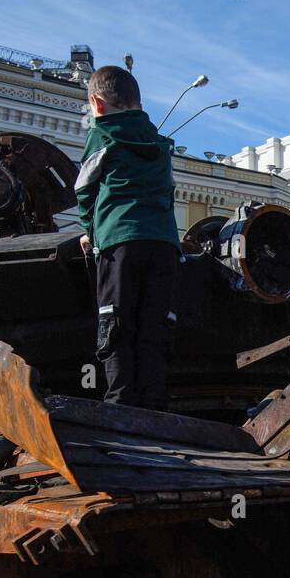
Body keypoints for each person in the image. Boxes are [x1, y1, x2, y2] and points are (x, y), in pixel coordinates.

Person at [75, 65, 180, 411]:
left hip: (120, 240)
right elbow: (168, 193)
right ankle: (155, 402)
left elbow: (85, 190)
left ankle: (119, 402)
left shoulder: (103, 133)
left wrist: (92, 232)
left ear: (97, 103)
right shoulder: (160, 142)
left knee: (115, 322)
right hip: (164, 243)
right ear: (138, 102)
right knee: (154, 323)